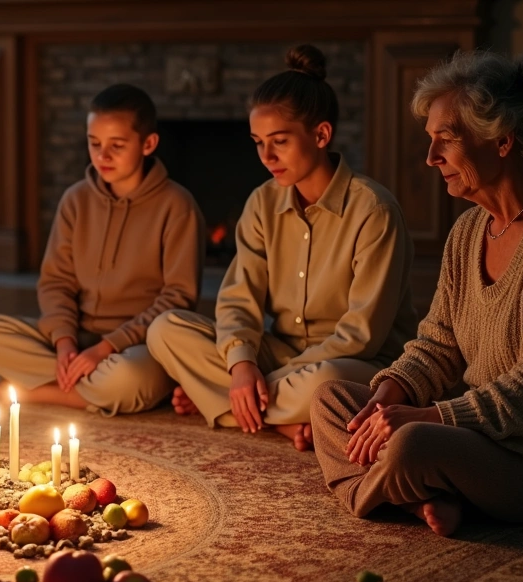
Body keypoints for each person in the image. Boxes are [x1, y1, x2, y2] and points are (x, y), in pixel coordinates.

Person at [310, 49, 523, 536]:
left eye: (447, 139)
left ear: (502, 140)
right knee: (330, 399)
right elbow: (437, 345)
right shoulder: (467, 231)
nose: (430, 157)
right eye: (430, 140)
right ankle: (428, 495)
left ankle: (394, 491)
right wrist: (386, 398)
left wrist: (428, 415)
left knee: (410, 443)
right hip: (470, 436)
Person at [147, 44, 419, 450]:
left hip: (357, 364)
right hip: (282, 352)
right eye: (258, 142)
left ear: (321, 134)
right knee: (165, 329)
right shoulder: (262, 202)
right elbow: (239, 299)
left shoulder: (374, 210)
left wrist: (258, 382)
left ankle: (231, 406)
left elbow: (361, 335)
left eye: (279, 141)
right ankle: (283, 422)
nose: (266, 156)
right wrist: (242, 366)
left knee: (325, 381)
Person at [0, 84, 204, 416]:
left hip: (137, 347)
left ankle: (43, 393)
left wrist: (106, 348)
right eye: (94, 143)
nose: (103, 156)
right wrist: (65, 342)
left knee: (128, 379)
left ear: (148, 144)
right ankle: (89, 387)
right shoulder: (75, 200)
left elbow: (178, 299)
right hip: (78, 336)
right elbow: (56, 282)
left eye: (116, 146)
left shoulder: (177, 206)